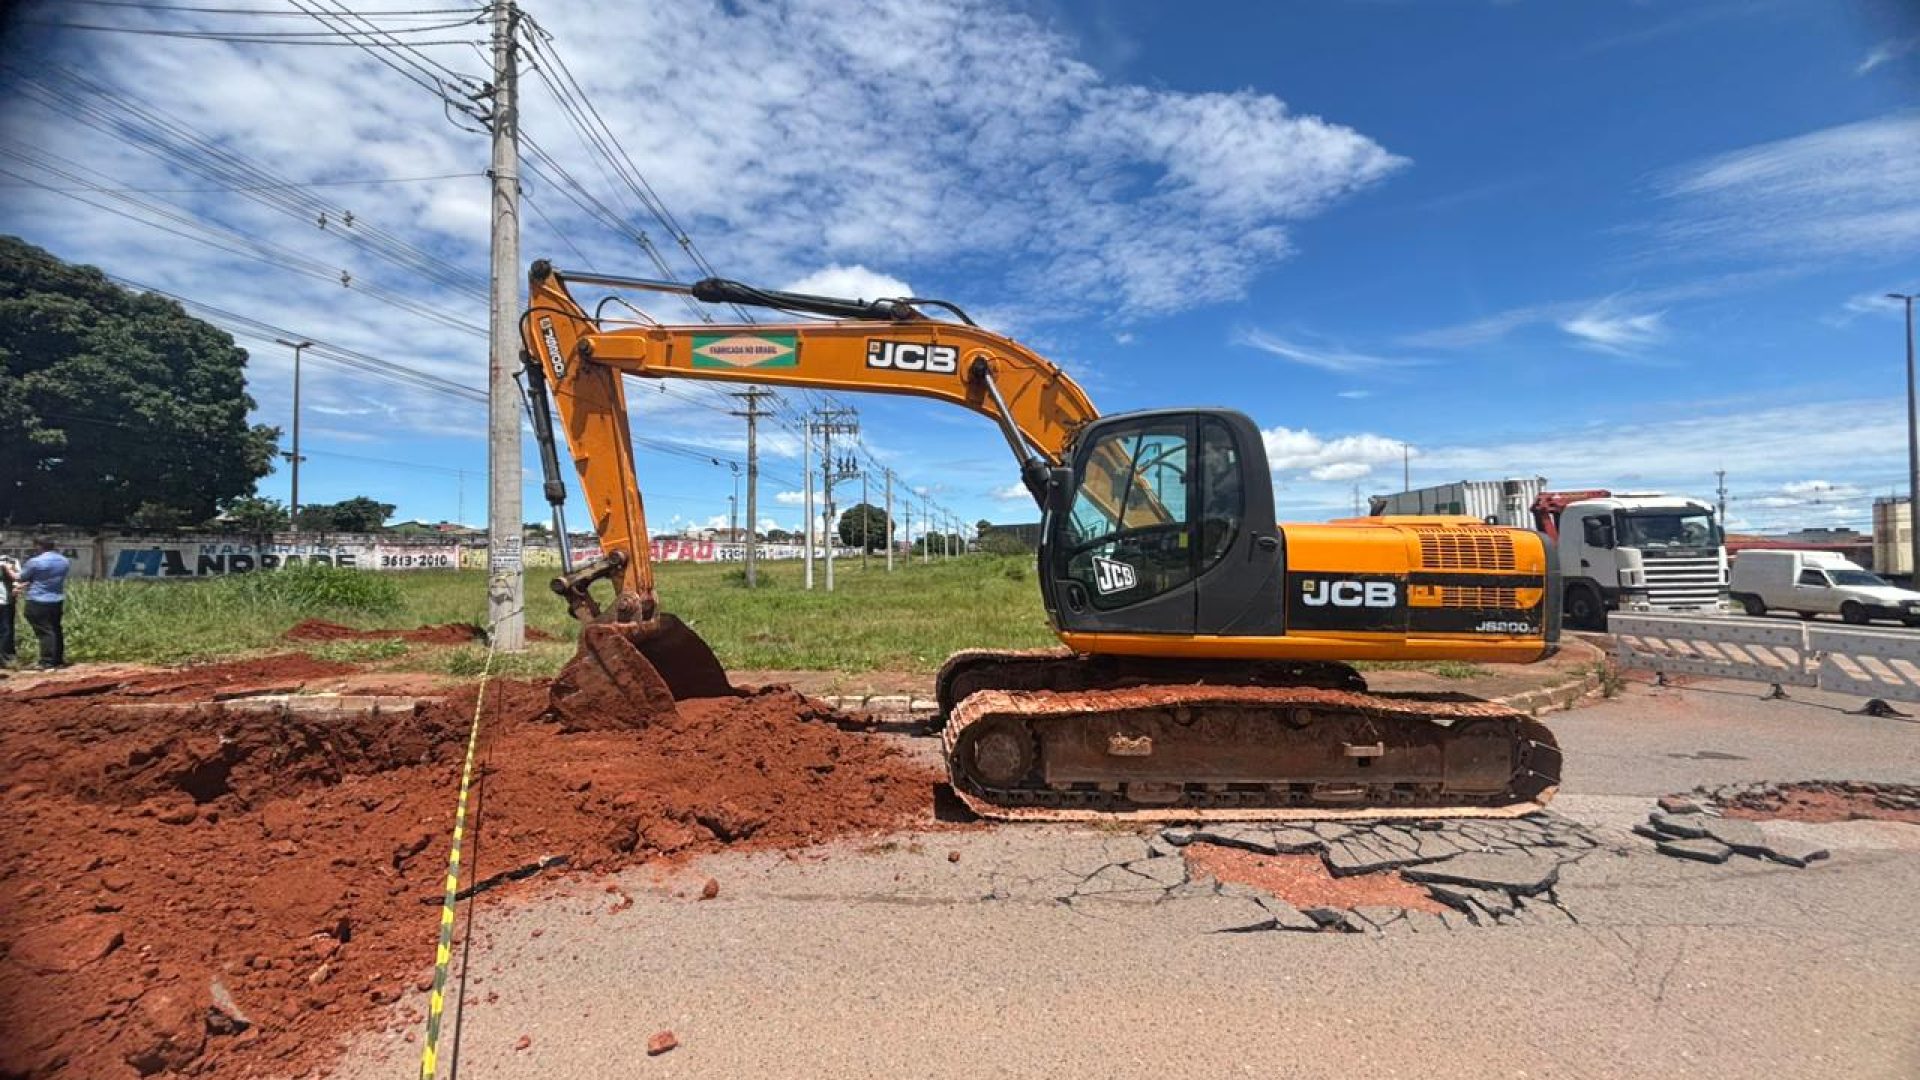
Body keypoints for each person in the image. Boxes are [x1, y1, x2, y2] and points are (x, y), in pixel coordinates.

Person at [15, 538, 70, 669]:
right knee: (55, 629)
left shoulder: (35, 562)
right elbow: (43, 579)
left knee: (45, 631)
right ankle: (57, 659)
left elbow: (20, 577)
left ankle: (47, 661)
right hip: (56, 599)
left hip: (38, 600)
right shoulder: (64, 561)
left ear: (39, 546)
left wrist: (6, 568)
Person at [0, 554, 18, 667]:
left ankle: (6, 658)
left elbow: (17, 578)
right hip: (5, 601)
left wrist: (16, 586)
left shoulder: (10, 560)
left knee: (6, 630)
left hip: (5, 601)